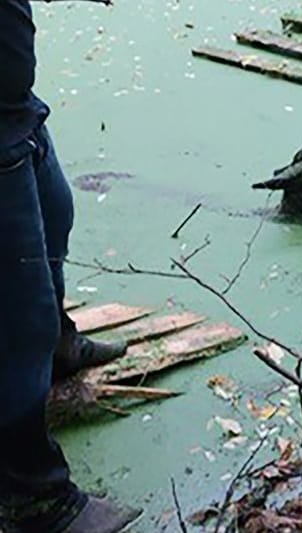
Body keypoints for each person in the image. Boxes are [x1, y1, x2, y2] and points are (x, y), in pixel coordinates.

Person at [1, 1, 141, 531]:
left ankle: (60, 348)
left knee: (56, 213)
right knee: (19, 315)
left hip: (19, 113)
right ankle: (33, 496)